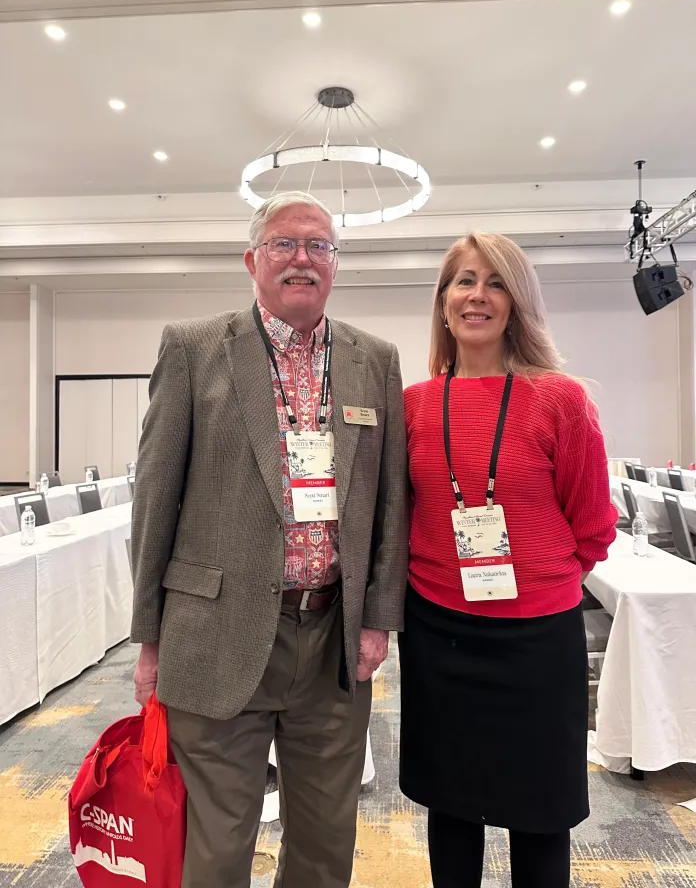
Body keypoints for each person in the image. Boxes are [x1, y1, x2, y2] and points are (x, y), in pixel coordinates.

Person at [130, 190, 408, 888]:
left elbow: (387, 503)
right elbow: (155, 499)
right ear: (253, 259)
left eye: (319, 246)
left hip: (332, 642)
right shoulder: (194, 348)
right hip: (215, 631)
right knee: (217, 847)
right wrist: (148, 637)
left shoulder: (374, 359)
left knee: (324, 842)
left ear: (336, 267)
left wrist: (378, 619)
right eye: (285, 243)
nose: (302, 259)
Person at [399, 232, 617, 888]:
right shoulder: (411, 405)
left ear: (518, 303)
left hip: (536, 640)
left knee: (540, 814)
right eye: (464, 281)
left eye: (496, 283)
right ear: (442, 304)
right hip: (440, 634)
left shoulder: (561, 399)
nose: (478, 296)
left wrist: (535, 585)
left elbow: (593, 529)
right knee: (452, 806)